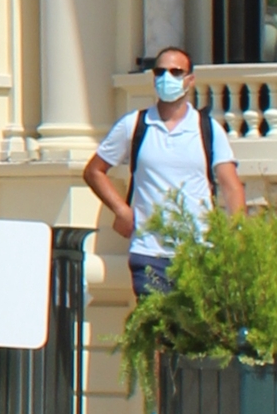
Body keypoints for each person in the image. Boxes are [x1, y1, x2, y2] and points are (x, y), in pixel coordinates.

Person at [84, 46, 244, 299]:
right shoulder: (134, 125)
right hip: (149, 253)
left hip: (198, 253)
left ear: (190, 80)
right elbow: (94, 171)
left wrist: (235, 237)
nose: (166, 78)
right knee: (157, 332)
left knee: (194, 333)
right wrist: (121, 210)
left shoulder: (208, 130)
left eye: (175, 72)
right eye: (160, 71)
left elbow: (231, 185)